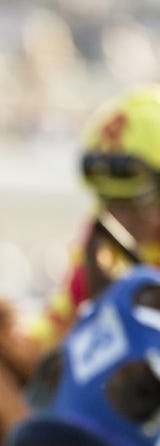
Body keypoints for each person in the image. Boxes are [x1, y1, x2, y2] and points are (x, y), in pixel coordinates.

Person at [30, 85, 160, 350]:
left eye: (135, 204)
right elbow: (55, 326)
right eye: (109, 202)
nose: (120, 219)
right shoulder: (101, 239)